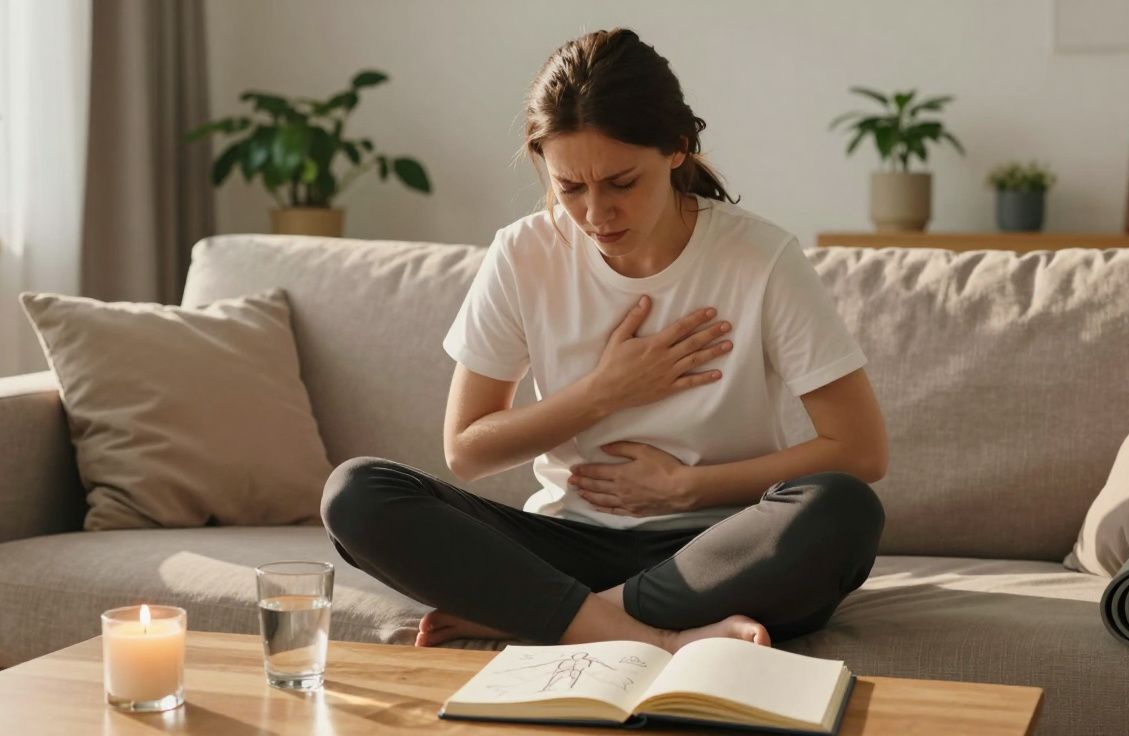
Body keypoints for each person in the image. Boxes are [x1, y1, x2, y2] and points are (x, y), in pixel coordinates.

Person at [321, 27, 887, 654]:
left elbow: (860, 451)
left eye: (622, 183)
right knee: (357, 493)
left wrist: (687, 488)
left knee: (842, 511)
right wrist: (605, 391)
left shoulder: (760, 257)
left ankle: (564, 619)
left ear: (677, 148)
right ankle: (655, 635)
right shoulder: (523, 253)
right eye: (570, 188)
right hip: (568, 545)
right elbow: (467, 450)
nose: (596, 214)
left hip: (716, 551)